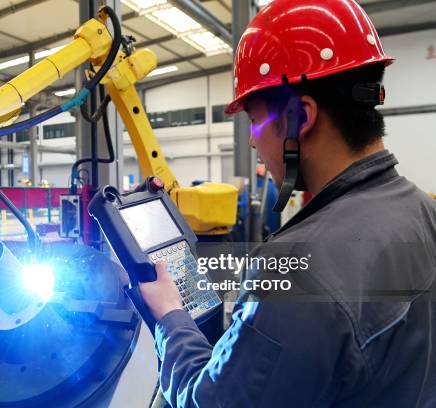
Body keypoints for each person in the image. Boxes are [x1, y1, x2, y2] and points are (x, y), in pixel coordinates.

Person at [138, 0, 436, 407]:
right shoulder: (422, 211)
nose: (252, 141)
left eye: (253, 120)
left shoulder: (298, 269)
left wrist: (172, 317)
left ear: (300, 118)